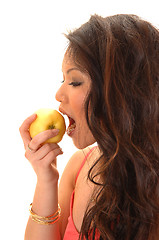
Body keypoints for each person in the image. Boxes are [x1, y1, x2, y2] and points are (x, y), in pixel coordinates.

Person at [19, 14, 159, 240]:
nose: (58, 95)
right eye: (62, 80)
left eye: (74, 81)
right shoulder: (78, 167)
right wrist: (46, 180)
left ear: (120, 92)